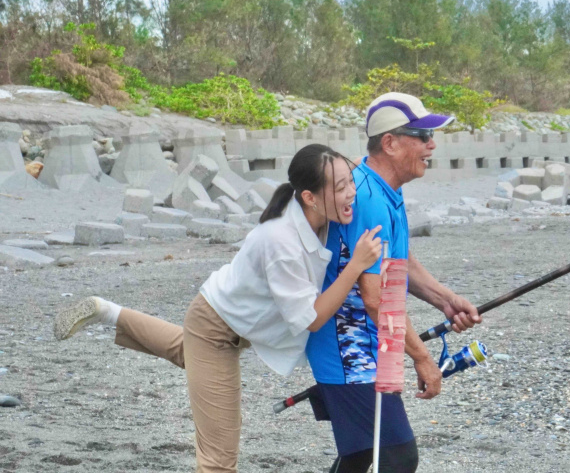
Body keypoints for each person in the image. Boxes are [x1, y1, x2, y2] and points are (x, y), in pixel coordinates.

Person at [53, 144, 383, 473]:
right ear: (310, 197)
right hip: (216, 328)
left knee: (185, 350)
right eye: (341, 187)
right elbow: (311, 319)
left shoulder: (317, 204)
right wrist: (356, 266)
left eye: (351, 182)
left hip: (226, 319)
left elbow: (356, 165)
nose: (351, 191)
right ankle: (107, 311)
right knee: (219, 459)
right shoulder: (280, 240)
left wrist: (361, 166)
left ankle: (105, 310)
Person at [306, 93, 482, 473]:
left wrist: (444, 299)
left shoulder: (386, 191)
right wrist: (421, 358)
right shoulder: (366, 197)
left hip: (368, 346)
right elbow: (374, 298)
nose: (431, 144)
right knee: (396, 457)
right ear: (389, 142)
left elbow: (400, 262)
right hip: (347, 353)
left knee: (359, 456)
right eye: (422, 135)